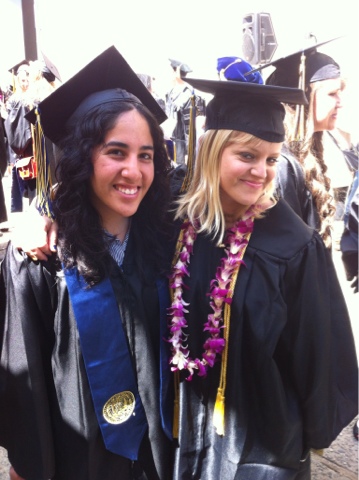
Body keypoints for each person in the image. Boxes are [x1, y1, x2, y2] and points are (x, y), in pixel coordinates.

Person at [166, 76, 358, 479]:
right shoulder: (184, 224)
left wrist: (313, 433)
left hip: (261, 444)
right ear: (212, 151)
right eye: (247, 155)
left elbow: (317, 354)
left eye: (271, 158)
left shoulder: (294, 246)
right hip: (188, 431)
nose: (262, 171)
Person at [0, 46, 174, 480]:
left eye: (146, 154)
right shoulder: (38, 258)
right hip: (78, 464)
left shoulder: (166, 244)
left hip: (160, 460)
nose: (134, 171)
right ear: (81, 157)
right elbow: (26, 387)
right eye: (116, 152)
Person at [263, 39, 355, 248]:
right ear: (303, 96)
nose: (341, 102)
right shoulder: (282, 166)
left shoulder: (306, 155)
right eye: (332, 94)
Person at [164, 59, 205, 165]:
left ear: (176, 72)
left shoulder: (188, 94)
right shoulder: (171, 92)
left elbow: (190, 127)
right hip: (172, 143)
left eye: (171, 71)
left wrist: (189, 153)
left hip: (183, 148)